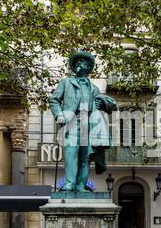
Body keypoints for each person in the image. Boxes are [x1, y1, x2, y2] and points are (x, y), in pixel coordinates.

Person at [49, 52, 117, 192]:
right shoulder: (66, 82)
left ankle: (81, 185)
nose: (81, 63)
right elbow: (54, 100)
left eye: (84, 62)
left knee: (85, 157)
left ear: (89, 67)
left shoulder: (94, 88)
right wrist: (59, 115)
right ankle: (69, 183)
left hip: (89, 124)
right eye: (78, 62)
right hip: (71, 122)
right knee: (71, 154)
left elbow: (106, 104)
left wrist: (103, 103)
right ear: (74, 66)